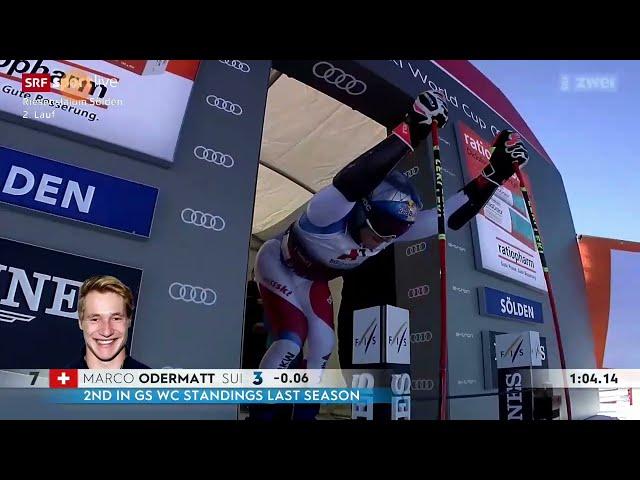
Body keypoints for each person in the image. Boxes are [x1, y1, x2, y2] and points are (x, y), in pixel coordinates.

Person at [250, 90, 529, 419]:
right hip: (278, 264)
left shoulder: (390, 230)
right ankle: (260, 414)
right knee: (291, 341)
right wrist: (414, 126)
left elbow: (450, 217)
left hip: (314, 280)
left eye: (391, 235)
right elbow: (356, 178)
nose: (379, 242)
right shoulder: (328, 212)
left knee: (321, 349)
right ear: (362, 212)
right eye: (378, 230)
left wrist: (496, 173)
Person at [67, 275, 149, 369]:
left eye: (116, 319)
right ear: (80, 322)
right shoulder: (55, 382)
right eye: (95, 319)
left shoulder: (154, 382)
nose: (106, 332)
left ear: (129, 320)